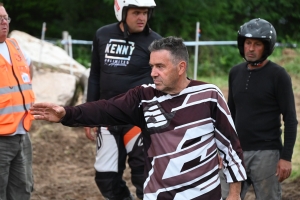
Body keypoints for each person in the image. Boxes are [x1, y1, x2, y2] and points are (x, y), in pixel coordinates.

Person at [30, 36, 246, 200]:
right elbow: (105, 109)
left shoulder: (209, 95)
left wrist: (234, 195)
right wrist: (67, 113)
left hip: (204, 195)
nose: (153, 73)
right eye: (151, 66)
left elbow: (230, 148)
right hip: (157, 196)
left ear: (181, 67)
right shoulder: (144, 97)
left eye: (160, 67)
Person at [84, 0, 162, 199]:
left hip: (139, 121)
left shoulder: (156, 42)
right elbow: (95, 76)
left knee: (144, 179)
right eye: (136, 12)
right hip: (108, 118)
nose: (142, 18)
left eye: (145, 13)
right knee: (105, 179)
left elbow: (164, 81)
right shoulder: (102, 35)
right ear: (122, 12)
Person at [227, 18, 298, 199]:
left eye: (257, 44)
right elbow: (229, 114)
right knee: (225, 196)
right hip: (237, 152)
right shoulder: (235, 73)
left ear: (267, 47)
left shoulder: (278, 75)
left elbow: (290, 118)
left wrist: (286, 157)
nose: (250, 48)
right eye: (248, 43)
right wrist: (224, 149)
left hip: (267, 155)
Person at [0, 2, 35, 200]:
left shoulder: (14, 45)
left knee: (22, 190)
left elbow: (29, 69)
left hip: (22, 134)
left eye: (6, 18)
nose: (4, 22)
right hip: (1, 139)